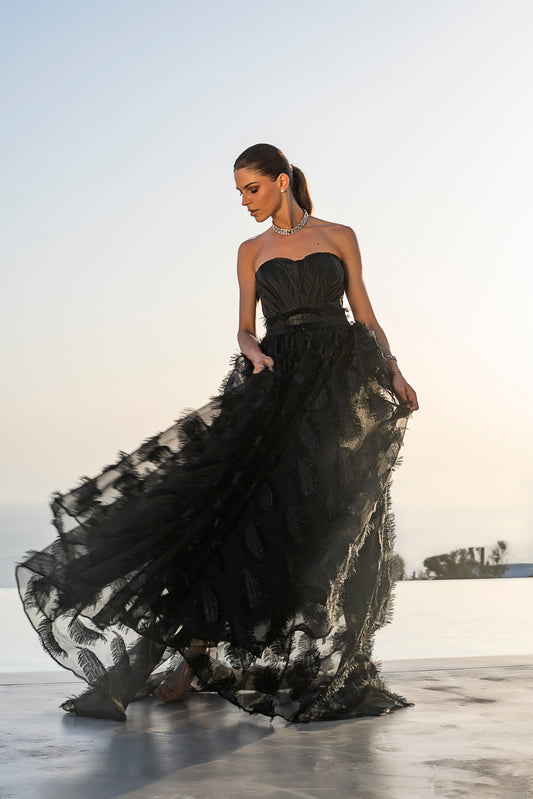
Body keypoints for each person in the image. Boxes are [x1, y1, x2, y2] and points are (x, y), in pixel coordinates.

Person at [17, 143, 418, 723]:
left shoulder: (339, 235)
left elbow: (365, 315)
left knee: (315, 515)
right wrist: (252, 350)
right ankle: (191, 651)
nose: (244, 201)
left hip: (334, 385)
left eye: (251, 189)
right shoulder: (250, 251)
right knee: (237, 512)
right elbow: (243, 329)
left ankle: (258, 657)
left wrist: (395, 370)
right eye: (239, 193)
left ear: (282, 182)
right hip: (277, 382)